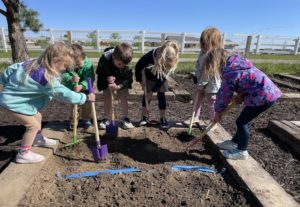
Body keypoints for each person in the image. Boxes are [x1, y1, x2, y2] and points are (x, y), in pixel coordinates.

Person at [0, 42, 96, 164]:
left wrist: (3, 82)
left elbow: (11, 69)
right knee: (32, 126)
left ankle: (37, 139)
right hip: (11, 103)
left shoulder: (32, 63)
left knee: (37, 115)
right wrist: (85, 98)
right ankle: (23, 154)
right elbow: (64, 94)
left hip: (15, 100)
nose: (65, 69)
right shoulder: (46, 78)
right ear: (56, 61)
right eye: (65, 66)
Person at [204, 48, 282, 160]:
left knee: (241, 121)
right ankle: (235, 142)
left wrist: (218, 112)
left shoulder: (229, 73)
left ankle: (242, 151)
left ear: (215, 62)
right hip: (266, 93)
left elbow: (224, 95)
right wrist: (241, 94)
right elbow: (248, 80)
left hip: (263, 97)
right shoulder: (238, 64)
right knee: (244, 120)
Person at [183, 27, 223, 126]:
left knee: (211, 104)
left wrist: (201, 85)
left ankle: (214, 122)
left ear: (214, 43)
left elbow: (207, 73)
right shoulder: (202, 53)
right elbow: (198, 66)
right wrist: (197, 77)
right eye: (202, 42)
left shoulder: (213, 55)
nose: (202, 45)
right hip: (201, 81)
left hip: (212, 85)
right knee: (197, 100)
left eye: (205, 43)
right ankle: (195, 117)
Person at [135, 40, 179, 129]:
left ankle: (162, 118)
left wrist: (153, 90)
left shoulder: (169, 61)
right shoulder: (150, 56)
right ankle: (144, 117)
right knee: (146, 96)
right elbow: (138, 67)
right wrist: (141, 83)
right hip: (149, 76)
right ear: (162, 57)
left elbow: (162, 78)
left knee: (161, 95)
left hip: (161, 78)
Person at [96, 42, 134, 129]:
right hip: (108, 80)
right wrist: (107, 79)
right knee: (107, 96)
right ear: (113, 57)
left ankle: (126, 118)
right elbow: (100, 73)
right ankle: (106, 118)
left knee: (124, 96)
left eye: (125, 65)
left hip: (121, 79)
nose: (122, 66)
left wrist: (119, 86)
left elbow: (128, 80)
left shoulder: (127, 62)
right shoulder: (104, 60)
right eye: (120, 64)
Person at [61, 44, 95, 130]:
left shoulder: (88, 64)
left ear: (83, 57)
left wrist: (82, 85)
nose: (77, 66)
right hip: (73, 88)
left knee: (87, 104)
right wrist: (71, 79)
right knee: (74, 104)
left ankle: (86, 119)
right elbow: (64, 75)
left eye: (79, 64)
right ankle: (74, 120)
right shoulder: (67, 64)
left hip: (85, 89)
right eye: (75, 65)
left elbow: (89, 77)